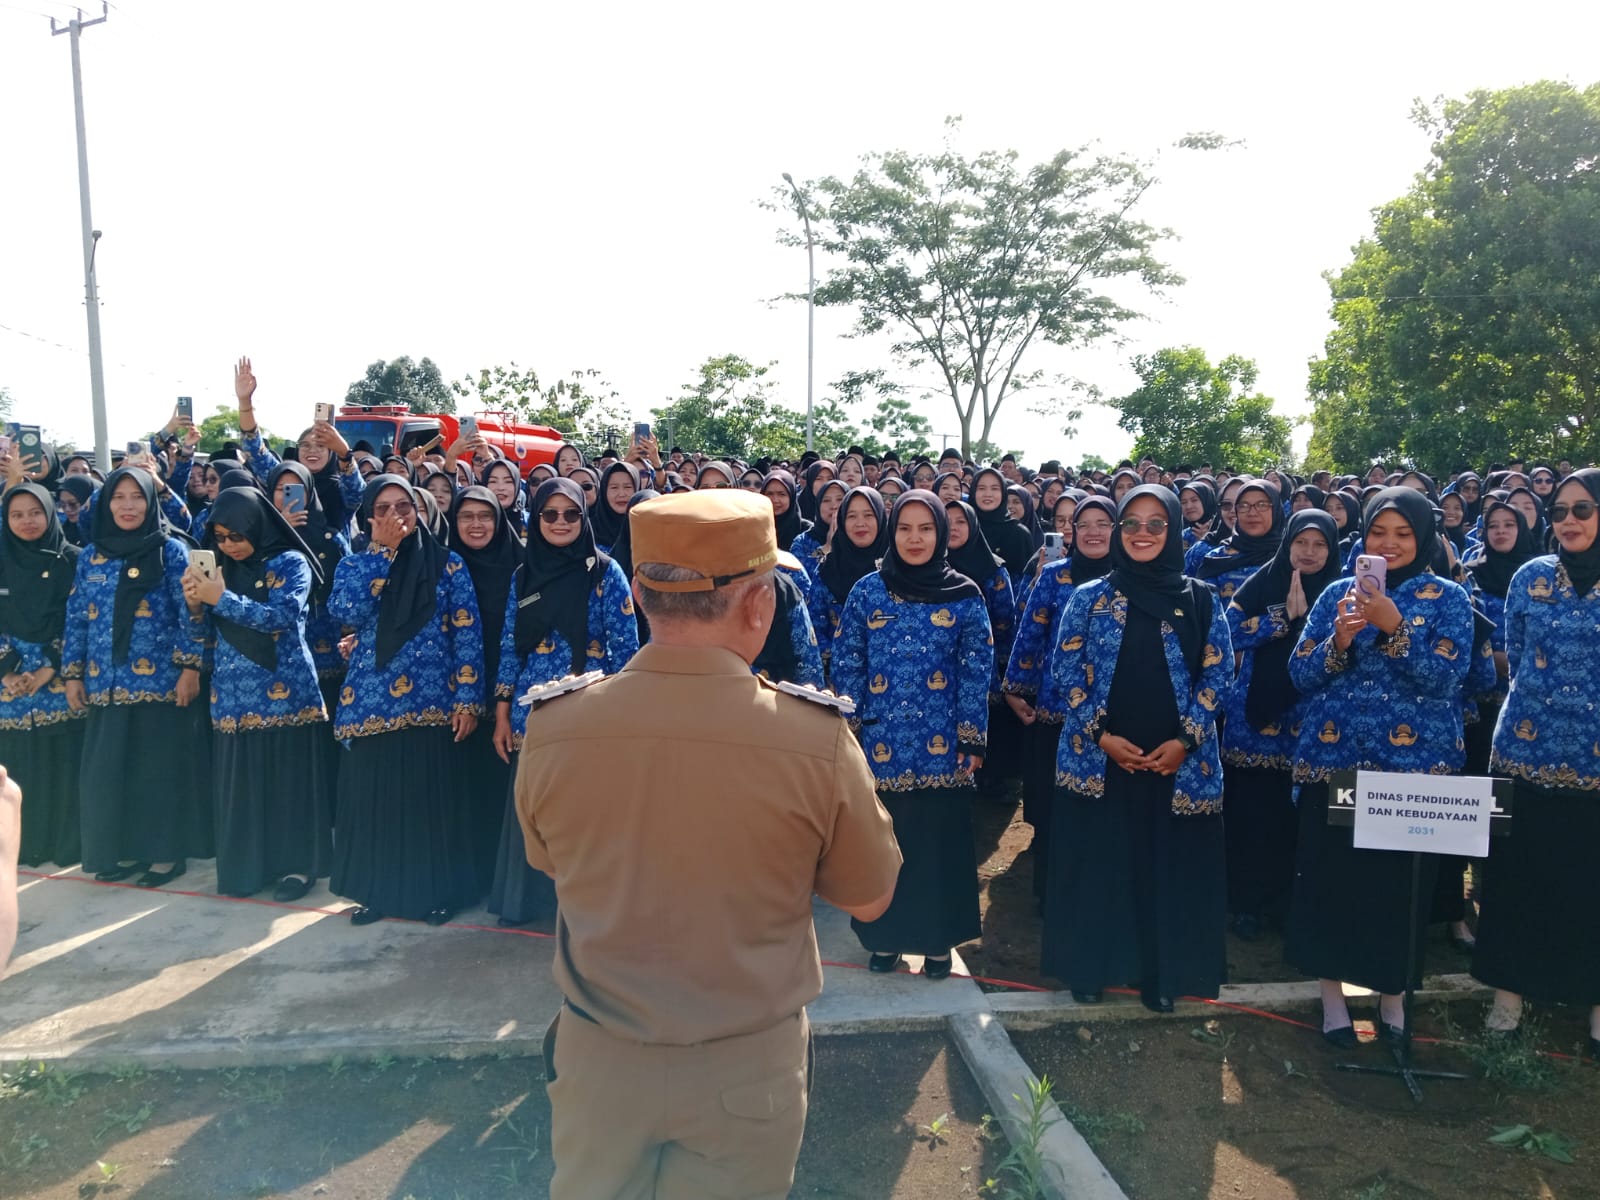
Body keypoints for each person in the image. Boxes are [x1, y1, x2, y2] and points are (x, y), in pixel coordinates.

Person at [516, 488, 901, 1200]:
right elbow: (872, 899)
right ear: (760, 604)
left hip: (600, 1064)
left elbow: (547, 861)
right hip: (745, 1073)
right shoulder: (814, 738)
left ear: (638, 592)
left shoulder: (554, 724)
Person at [1285, 487, 1475, 1046]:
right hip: (1332, 763)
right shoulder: (1337, 595)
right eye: (1377, 533)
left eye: (1403, 534)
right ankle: (1332, 1002)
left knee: (1397, 889)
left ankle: (1392, 1002)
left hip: (1408, 776)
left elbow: (1445, 679)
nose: (1388, 545)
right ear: (1362, 537)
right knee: (1331, 885)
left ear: (1423, 538)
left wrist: (1396, 626)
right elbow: (1300, 674)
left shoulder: (1448, 599)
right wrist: (1338, 641)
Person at [1040, 485, 1233, 1011]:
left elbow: (1219, 670)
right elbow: (1065, 670)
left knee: (1164, 868)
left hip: (1177, 763)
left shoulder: (1199, 598)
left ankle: (1162, 978)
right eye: (1132, 523)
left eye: (1155, 524)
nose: (1142, 534)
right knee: (1102, 866)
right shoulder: (1090, 596)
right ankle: (1091, 969)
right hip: (1100, 759)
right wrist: (1100, 737)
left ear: (1172, 530)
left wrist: (1185, 739)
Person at [831, 490, 992, 979]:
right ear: (891, 532)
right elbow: (848, 660)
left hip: (942, 751)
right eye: (905, 528)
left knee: (937, 848)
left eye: (925, 528)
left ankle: (938, 944)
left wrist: (971, 737)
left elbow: (976, 668)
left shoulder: (965, 594)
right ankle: (885, 940)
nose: (914, 538)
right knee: (883, 849)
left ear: (941, 533)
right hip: (880, 747)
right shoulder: (868, 591)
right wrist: (853, 730)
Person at [1474, 470, 1600, 1055]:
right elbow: (1517, 657)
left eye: (1582, 509)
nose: (1568, 521)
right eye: (1557, 512)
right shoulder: (1531, 578)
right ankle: (1509, 998)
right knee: (1519, 878)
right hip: (1525, 752)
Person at [328, 474, 484, 926]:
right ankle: (376, 894)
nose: (395, 516)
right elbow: (344, 613)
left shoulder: (448, 564)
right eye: (383, 509)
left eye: (404, 506)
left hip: (433, 705)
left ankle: (437, 895)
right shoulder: (356, 564)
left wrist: (467, 700)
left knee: (426, 806)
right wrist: (379, 555)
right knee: (376, 803)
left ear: (420, 512)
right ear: (369, 518)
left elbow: (467, 634)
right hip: (372, 703)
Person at [488, 478, 638, 926]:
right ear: (536, 519)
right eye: (549, 514)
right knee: (534, 805)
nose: (560, 522)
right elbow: (511, 647)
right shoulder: (523, 575)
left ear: (583, 517)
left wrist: (616, 712)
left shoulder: (605, 573)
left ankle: (587, 904)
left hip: (590, 710)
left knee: (585, 811)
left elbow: (625, 650)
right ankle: (529, 901)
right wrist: (501, 710)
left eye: (571, 514)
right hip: (530, 713)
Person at [183, 488, 334, 900]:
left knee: (288, 788)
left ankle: (297, 870)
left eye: (237, 536)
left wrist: (221, 598)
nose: (229, 545)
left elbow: (281, 617)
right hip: (232, 699)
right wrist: (197, 606)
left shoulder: (291, 562)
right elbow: (201, 634)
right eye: (220, 538)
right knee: (243, 790)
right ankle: (248, 868)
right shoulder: (218, 571)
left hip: (285, 695)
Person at [63, 467, 212, 887]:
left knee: (155, 774)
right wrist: (73, 674)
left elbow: (192, 616)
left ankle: (164, 857)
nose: (128, 506)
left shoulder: (170, 552)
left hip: (159, 686)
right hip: (104, 685)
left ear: (150, 502)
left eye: (137, 497)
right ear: (106, 503)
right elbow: (76, 620)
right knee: (108, 776)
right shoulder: (91, 556)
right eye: (118, 497)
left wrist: (189, 668)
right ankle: (120, 853)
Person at [1221, 509, 1342, 940]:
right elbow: (1227, 633)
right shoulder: (1262, 582)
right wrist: (1281, 619)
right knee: (1252, 815)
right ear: (1287, 543)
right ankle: (1246, 904)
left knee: (1298, 820)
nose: (1308, 553)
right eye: (1301, 543)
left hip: (1311, 724)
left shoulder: (1341, 592)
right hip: (1253, 722)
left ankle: (1288, 905)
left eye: (1319, 545)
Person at [1003, 494, 1115, 908]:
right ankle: (1052, 897)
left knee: (1100, 810)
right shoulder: (1054, 576)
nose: (1092, 532)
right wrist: (1015, 688)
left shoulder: (1131, 576)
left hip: (1112, 716)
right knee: (1054, 807)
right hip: (1056, 710)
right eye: (1083, 524)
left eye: (1103, 523)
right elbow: (1031, 633)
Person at [0, 484, 87, 867]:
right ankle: (22, 845)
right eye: (16, 514)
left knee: (62, 760)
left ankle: (63, 844)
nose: (27, 521)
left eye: (35, 512)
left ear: (51, 513)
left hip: (61, 675)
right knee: (17, 764)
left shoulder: (75, 560)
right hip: (10, 683)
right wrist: (6, 670)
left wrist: (50, 665)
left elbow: (83, 616)